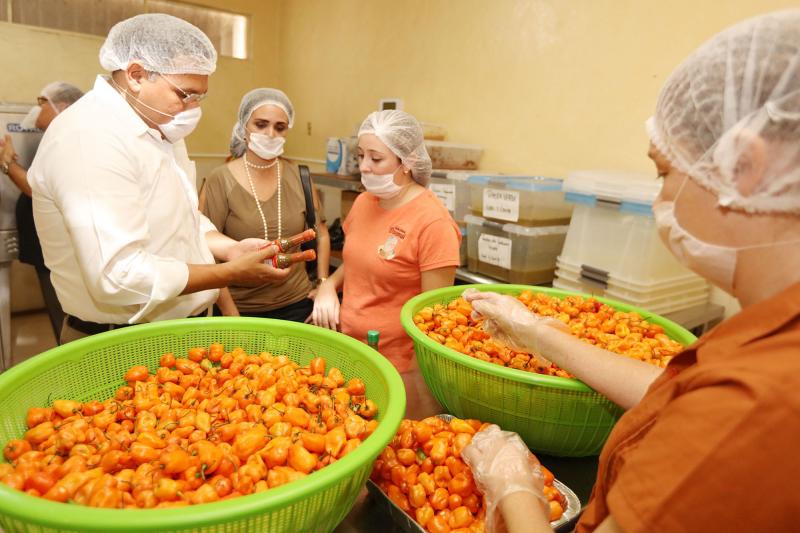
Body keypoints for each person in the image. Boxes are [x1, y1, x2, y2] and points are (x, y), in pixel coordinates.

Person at [460, 9, 800, 533]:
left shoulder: (756, 408)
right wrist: (538, 336)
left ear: (744, 167)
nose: (661, 196)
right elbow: (673, 391)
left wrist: (516, 491)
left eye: (664, 172)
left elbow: (721, 412)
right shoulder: (773, 328)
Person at [27, 14, 289, 345]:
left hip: (181, 331)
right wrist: (228, 274)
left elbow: (181, 218)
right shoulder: (89, 138)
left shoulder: (159, 124)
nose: (193, 108)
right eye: (185, 94)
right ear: (136, 74)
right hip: (119, 342)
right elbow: (118, 276)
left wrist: (229, 248)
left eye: (200, 97)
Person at [311, 110, 461, 418]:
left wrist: (419, 387)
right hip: (351, 349)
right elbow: (357, 261)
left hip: (399, 365)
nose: (364, 166)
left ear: (406, 162)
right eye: (361, 155)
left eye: (376, 158)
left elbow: (432, 318)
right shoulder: (365, 202)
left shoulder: (432, 223)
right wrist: (328, 286)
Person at [200, 88, 330, 321]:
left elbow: (320, 233)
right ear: (243, 127)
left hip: (298, 303)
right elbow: (205, 252)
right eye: (261, 125)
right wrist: (231, 313)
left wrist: (323, 284)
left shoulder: (299, 176)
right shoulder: (220, 180)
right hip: (241, 308)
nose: (270, 134)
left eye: (279, 127)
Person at [0, 81, 83, 338]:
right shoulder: (55, 139)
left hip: (57, 249)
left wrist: (6, 163)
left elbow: (37, 189)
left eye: (42, 102)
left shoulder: (69, 140)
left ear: (64, 107)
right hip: (45, 246)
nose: (36, 109)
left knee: (64, 315)